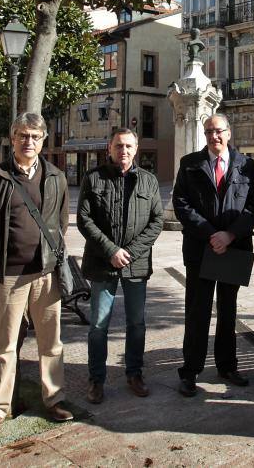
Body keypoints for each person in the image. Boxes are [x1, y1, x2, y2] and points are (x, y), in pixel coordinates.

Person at [0, 112, 72, 440]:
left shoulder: (55, 176)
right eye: (23, 136)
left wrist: (49, 256)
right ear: (12, 139)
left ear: (43, 140)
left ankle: (54, 398)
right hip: (7, 277)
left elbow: (60, 222)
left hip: (45, 275)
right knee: (3, 343)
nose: (29, 142)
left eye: (35, 137)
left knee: (51, 341)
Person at [172, 113, 254, 396]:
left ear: (229, 132)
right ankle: (190, 371)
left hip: (233, 249)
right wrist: (211, 234)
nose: (214, 136)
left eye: (219, 131)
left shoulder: (246, 165)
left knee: (228, 311)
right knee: (197, 311)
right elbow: (181, 203)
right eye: (209, 131)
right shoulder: (189, 164)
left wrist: (230, 235)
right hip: (201, 249)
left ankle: (227, 366)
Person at [76, 128, 164, 404]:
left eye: (128, 146)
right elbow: (84, 219)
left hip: (136, 265)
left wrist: (130, 252)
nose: (123, 151)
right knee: (99, 325)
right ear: (109, 148)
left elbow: (156, 222)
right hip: (103, 263)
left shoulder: (149, 181)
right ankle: (96, 379)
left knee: (136, 323)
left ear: (136, 149)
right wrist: (111, 250)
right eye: (118, 146)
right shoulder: (94, 179)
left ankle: (134, 373)